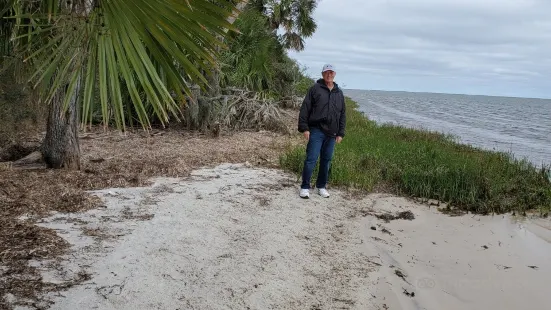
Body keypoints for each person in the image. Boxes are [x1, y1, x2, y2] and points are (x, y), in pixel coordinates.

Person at [297, 64, 346, 199]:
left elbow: (342, 114)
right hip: (316, 130)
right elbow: (305, 109)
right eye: (326, 72)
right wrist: (305, 128)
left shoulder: (339, 93)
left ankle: (321, 186)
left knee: (326, 160)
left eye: (331, 72)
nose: (329, 75)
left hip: (332, 133)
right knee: (311, 159)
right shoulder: (315, 89)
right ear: (322, 74)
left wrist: (341, 133)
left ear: (334, 74)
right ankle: (305, 187)